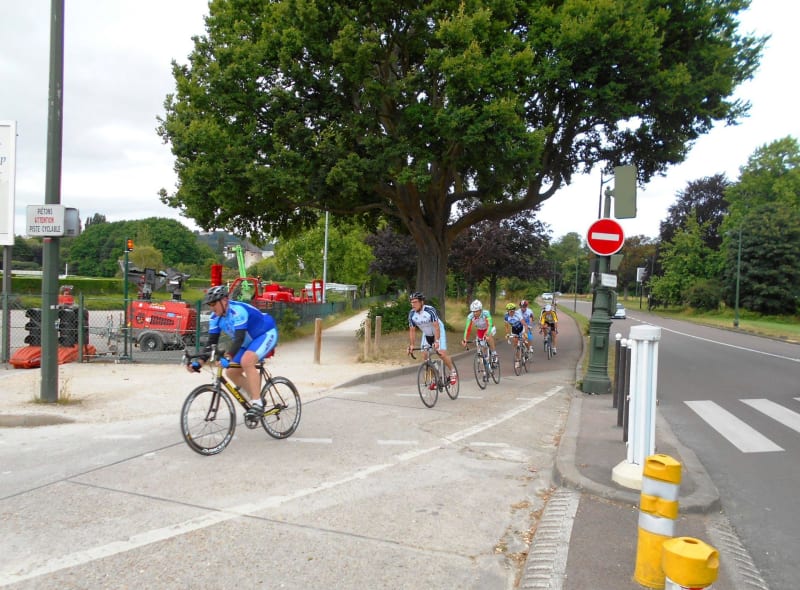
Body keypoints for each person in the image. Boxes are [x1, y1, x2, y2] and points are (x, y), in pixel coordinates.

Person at [189, 285, 279, 418]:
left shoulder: (238, 311)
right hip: (247, 343)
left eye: (214, 303)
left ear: (224, 301)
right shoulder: (215, 318)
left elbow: (239, 338)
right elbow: (211, 343)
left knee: (247, 361)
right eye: (209, 304)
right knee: (231, 372)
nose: (212, 308)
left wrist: (229, 357)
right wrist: (199, 362)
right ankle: (257, 396)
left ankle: (257, 403)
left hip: (265, 334)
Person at [407, 292, 458, 385]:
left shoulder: (429, 310)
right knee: (425, 355)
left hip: (438, 330)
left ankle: (453, 371)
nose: (413, 305)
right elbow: (412, 330)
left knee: (441, 353)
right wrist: (412, 345)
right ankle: (435, 376)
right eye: (411, 302)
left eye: (415, 302)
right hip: (426, 333)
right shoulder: (412, 314)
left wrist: (437, 341)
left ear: (421, 302)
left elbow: (436, 327)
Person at [460, 299, 498, 364]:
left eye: (476, 311)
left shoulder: (486, 313)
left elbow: (490, 324)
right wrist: (465, 339)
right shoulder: (470, 316)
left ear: (480, 310)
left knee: (489, 337)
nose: (475, 313)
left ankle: (494, 354)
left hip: (490, 328)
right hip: (480, 330)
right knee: (481, 346)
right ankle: (486, 367)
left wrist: (487, 333)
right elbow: (467, 329)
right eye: (473, 311)